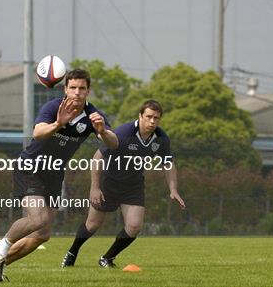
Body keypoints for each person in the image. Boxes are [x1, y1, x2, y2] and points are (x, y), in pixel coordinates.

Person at [0, 69, 118, 282]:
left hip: (54, 175)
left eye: (82, 88)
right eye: (72, 88)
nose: (77, 92)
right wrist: (58, 123)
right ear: (65, 89)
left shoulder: (93, 115)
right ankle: (1, 245)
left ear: (88, 91)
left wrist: (102, 131)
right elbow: (37, 132)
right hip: (30, 168)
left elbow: (114, 143)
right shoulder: (54, 107)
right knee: (38, 218)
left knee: (42, 234)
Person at [61, 99, 186, 268]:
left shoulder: (161, 139)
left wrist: (173, 189)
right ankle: (72, 251)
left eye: (156, 118)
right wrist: (95, 188)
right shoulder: (123, 132)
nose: (152, 121)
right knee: (92, 225)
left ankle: (107, 258)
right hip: (109, 183)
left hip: (133, 186)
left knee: (134, 226)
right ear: (140, 116)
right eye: (148, 116)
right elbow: (98, 158)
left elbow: (168, 163)